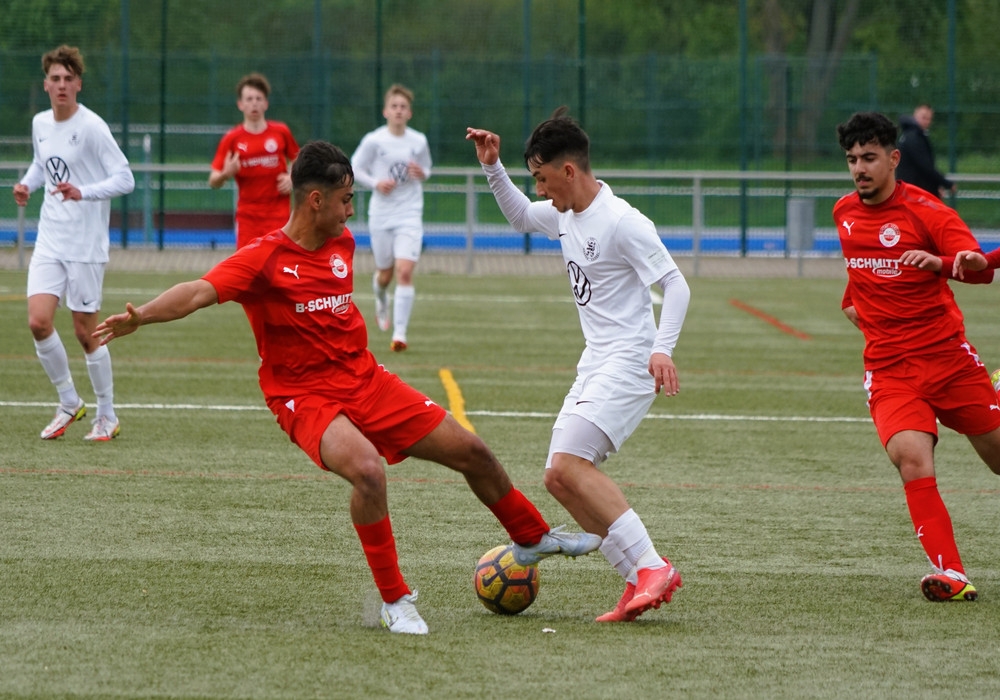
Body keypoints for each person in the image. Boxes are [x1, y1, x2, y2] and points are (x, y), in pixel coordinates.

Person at [93, 140, 601, 635]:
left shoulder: (342, 243)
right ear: (316, 200)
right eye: (346, 199)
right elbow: (198, 291)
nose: (352, 211)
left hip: (365, 379)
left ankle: (531, 537)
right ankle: (395, 602)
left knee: (472, 451)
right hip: (303, 396)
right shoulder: (263, 258)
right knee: (367, 472)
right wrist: (143, 316)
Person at [466, 109, 691, 623]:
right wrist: (492, 166)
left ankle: (654, 566)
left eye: (542, 179)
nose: (540, 191)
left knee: (569, 466)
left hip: (630, 361)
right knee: (557, 478)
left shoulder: (622, 221)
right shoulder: (564, 214)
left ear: (568, 171)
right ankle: (635, 579)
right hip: (595, 362)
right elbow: (522, 217)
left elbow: (675, 284)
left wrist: (663, 348)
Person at [833, 111, 1000, 602]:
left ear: (893, 158)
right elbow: (860, 274)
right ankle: (951, 573)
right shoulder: (844, 213)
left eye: (869, 158)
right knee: (911, 457)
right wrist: (854, 304)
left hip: (949, 361)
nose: (859, 168)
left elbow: (977, 268)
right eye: (852, 159)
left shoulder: (929, 212)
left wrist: (946, 263)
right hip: (889, 370)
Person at [12, 45, 135, 442]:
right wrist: (27, 185)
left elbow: (125, 179)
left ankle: (107, 414)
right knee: (38, 321)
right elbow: (42, 163)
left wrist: (84, 192)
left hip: (85, 245)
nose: (62, 84)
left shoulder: (93, 127)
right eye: (56, 78)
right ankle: (68, 401)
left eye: (69, 78)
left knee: (86, 333)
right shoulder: (40, 123)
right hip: (50, 239)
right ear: (46, 84)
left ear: (78, 84)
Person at [350, 84, 432, 351]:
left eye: (403, 107)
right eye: (394, 106)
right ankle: (381, 297)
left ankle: (400, 334)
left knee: (404, 271)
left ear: (410, 113)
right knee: (385, 275)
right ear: (385, 111)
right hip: (382, 215)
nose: (398, 110)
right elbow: (355, 167)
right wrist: (376, 183)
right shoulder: (374, 140)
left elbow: (427, 169)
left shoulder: (418, 141)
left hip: (409, 213)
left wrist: (421, 172)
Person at [209, 73, 299, 249]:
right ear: (240, 104)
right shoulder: (232, 139)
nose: (254, 103)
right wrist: (226, 174)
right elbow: (213, 181)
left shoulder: (281, 132)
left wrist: (292, 177)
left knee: (279, 263)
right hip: (248, 218)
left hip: (278, 216)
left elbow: (300, 160)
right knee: (248, 265)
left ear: (266, 103)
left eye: (259, 98)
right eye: (249, 99)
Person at [896, 104, 956, 201]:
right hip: (914, 192)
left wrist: (935, 186)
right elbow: (925, 166)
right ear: (915, 115)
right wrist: (946, 183)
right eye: (924, 117)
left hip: (912, 190)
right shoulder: (914, 138)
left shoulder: (910, 135)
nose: (927, 121)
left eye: (929, 119)